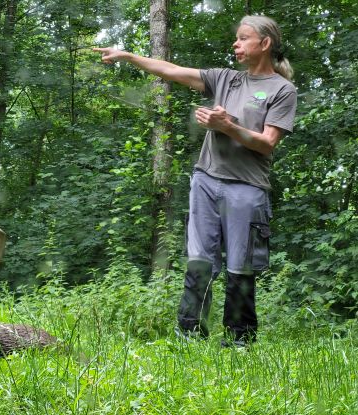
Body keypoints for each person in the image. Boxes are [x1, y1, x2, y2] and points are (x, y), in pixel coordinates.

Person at [94, 15, 297, 346]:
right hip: (205, 181)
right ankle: (189, 336)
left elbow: (267, 142)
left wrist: (226, 125)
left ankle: (239, 342)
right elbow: (172, 71)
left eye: (244, 38)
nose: (236, 43)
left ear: (265, 44)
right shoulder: (225, 79)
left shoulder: (282, 90)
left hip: (246, 189)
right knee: (199, 261)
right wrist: (128, 56)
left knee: (240, 269)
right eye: (237, 38)